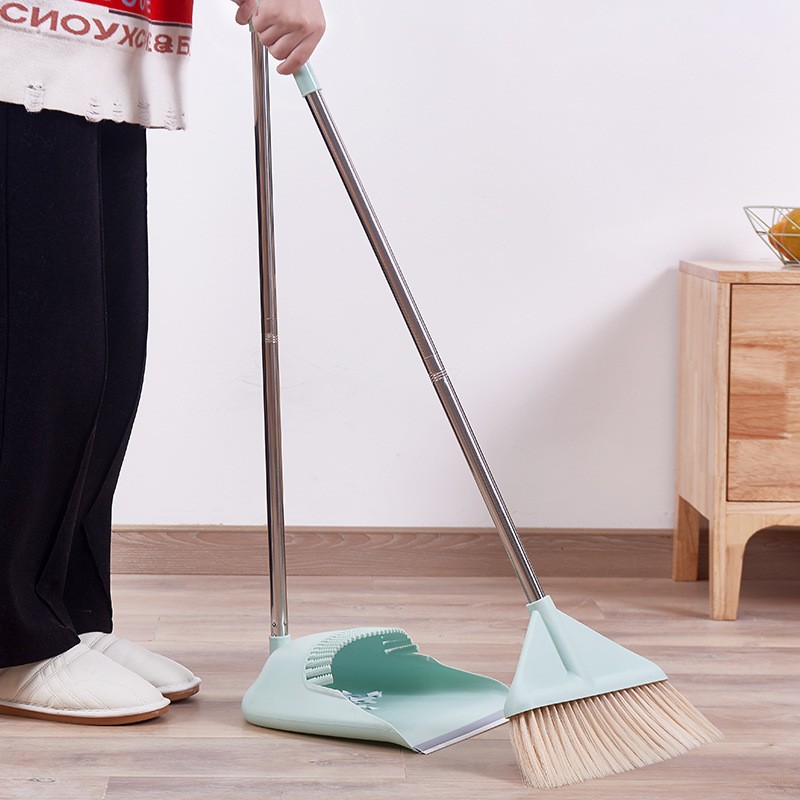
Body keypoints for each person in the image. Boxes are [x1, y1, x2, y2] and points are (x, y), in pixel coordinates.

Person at [0, 0, 325, 724]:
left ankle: (63, 611)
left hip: (108, 33)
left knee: (102, 347)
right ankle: (10, 633)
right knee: (35, 343)